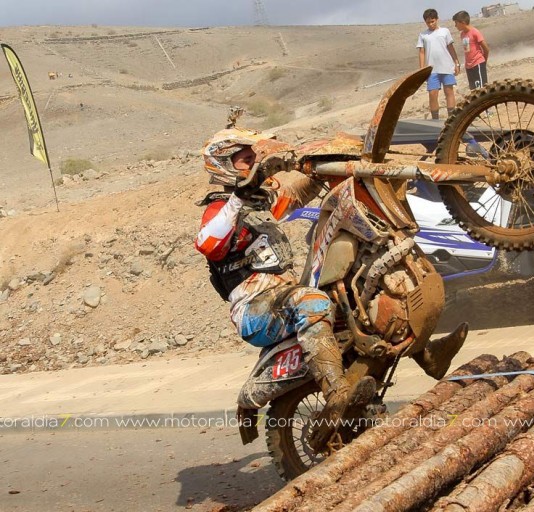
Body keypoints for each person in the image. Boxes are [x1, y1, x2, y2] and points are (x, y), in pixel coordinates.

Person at [195, 128, 468, 446]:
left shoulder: (258, 205)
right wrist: (239, 196)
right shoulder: (219, 210)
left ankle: (426, 355)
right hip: (254, 307)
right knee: (312, 301)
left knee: (360, 295)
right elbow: (207, 243)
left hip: (282, 296)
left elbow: (294, 197)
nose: (254, 164)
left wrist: (325, 165)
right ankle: (335, 390)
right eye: (246, 160)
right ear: (223, 164)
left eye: (254, 158)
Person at [417, 8, 460, 119]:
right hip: (431, 69)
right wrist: (422, 70)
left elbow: (451, 48)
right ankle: (435, 120)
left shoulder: (444, 31)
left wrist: (456, 63)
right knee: (432, 94)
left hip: (446, 66)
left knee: (449, 91)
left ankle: (452, 119)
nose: (431, 24)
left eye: (433, 21)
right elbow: (422, 52)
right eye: (428, 22)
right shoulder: (423, 35)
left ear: (437, 19)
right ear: (425, 22)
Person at [452, 10, 490, 90]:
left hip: (478, 63)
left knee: (481, 89)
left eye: (456, 23)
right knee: (473, 91)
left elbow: (486, 49)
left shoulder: (475, 32)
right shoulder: (462, 34)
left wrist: (483, 61)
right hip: (469, 66)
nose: (455, 26)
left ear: (462, 22)